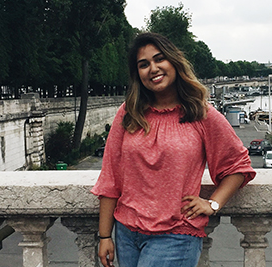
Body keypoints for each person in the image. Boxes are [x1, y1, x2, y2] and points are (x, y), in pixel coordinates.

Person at [91, 32, 255, 267]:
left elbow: (238, 166)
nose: (153, 68)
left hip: (176, 234)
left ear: (174, 62)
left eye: (159, 59)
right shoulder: (129, 113)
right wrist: (105, 235)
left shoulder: (200, 113)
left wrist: (213, 203)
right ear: (137, 74)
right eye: (143, 64)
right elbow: (110, 177)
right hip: (127, 233)